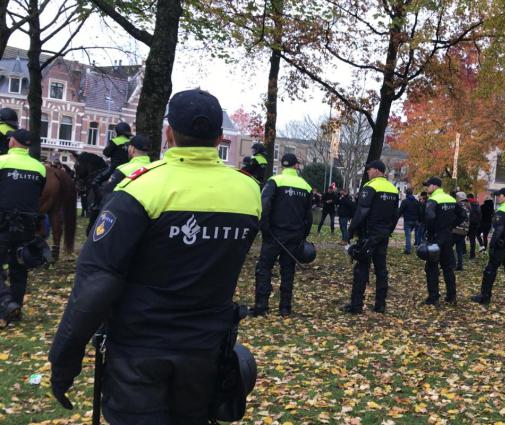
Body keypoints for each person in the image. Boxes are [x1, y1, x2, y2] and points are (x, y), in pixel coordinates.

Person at [48, 89, 262, 422]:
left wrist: (64, 358)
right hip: (206, 352)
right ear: (219, 137)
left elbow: (96, 283)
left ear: (168, 133)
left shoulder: (140, 189)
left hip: (140, 352)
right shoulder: (248, 192)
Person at [251, 153, 312, 317]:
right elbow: (308, 216)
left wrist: (264, 228)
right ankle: (285, 307)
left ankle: (261, 306)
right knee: (288, 270)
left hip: (273, 234)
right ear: (296, 166)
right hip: (294, 237)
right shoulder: (305, 186)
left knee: (264, 268)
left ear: (283, 165)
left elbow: (264, 204)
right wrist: (302, 236)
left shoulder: (274, 181)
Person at [0, 130, 46, 325]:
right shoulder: (40, 168)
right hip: (27, 226)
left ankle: (6, 301)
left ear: (12, 142)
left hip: (2, 222)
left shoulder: (1, 162)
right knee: (19, 268)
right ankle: (15, 313)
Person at [343, 161, 399, 314]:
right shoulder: (393, 189)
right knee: (381, 270)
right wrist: (388, 231)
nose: (367, 171)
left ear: (377, 170)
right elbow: (395, 215)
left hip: (368, 235)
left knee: (361, 268)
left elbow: (362, 211)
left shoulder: (370, 187)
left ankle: (356, 305)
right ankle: (380, 305)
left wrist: (351, 230)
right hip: (383, 235)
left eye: (369, 169)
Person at [471, 188, 505, 307]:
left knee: (490, 271)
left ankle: (485, 296)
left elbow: (498, 230)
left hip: (501, 246)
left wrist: (492, 245)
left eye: (499, 195)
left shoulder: (502, 211)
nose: (498, 197)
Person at [422, 178, 464, 305]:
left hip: (436, 237)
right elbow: (463, 215)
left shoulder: (433, 200)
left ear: (434, 186)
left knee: (431, 267)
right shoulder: (451, 199)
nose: (427, 188)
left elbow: (430, 217)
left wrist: (430, 232)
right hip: (448, 237)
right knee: (448, 268)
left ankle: (434, 297)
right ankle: (451, 296)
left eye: (428, 186)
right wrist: (451, 226)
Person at [452, 191, 471, 271]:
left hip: (456, 229)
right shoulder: (469, 206)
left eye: (457, 197)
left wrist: (451, 225)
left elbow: (454, 216)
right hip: (464, 230)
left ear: (460, 197)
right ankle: (460, 265)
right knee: (459, 249)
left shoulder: (459, 205)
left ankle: (452, 264)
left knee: (448, 247)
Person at [398, 188, 420, 254]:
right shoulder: (416, 202)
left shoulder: (405, 201)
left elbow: (400, 211)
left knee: (408, 236)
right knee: (417, 234)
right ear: (412, 193)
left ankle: (408, 250)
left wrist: (397, 217)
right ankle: (418, 247)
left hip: (407, 220)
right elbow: (419, 211)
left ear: (406, 193)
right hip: (415, 221)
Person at [467, 193, 481, 259]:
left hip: (468, 223)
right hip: (475, 223)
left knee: (460, 238)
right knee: (472, 239)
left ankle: (463, 251)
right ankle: (472, 254)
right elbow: (480, 214)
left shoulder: (467, 202)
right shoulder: (477, 204)